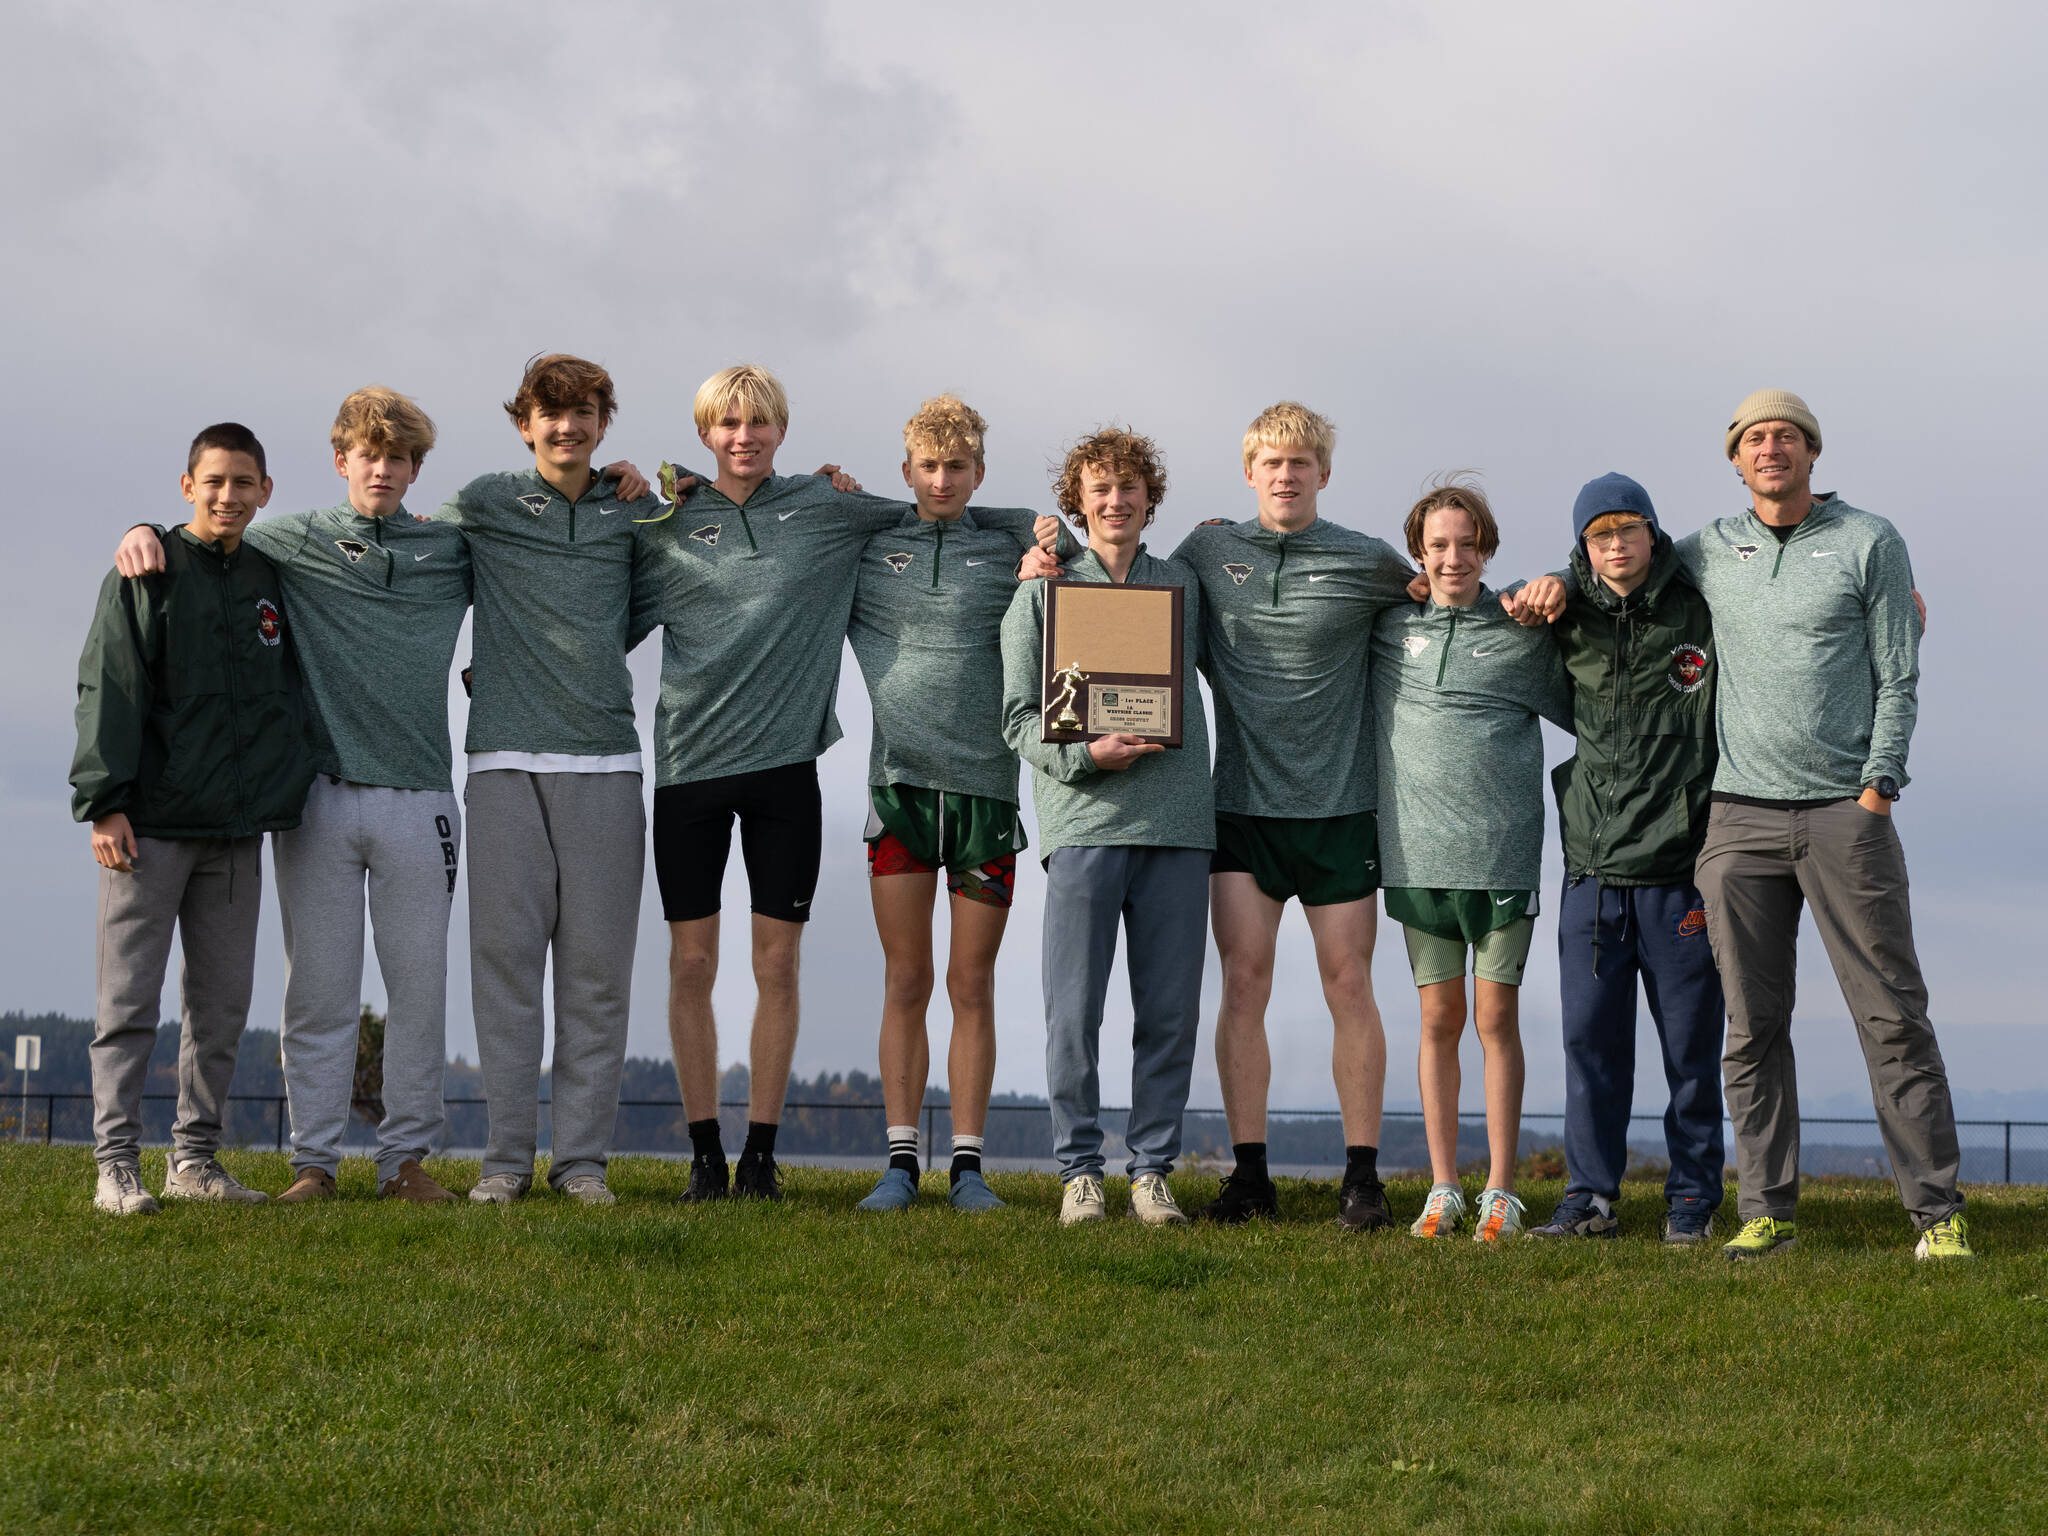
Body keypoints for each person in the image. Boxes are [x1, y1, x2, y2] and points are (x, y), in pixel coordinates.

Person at [1515, 390, 1968, 1261]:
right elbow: (1614, 562)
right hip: (1738, 821)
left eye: (1786, 436)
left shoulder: (1870, 540)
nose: (1771, 448)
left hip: (1845, 810)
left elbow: (1897, 672)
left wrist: (1879, 787)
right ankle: (1766, 1210)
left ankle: (1938, 1214)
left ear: (1811, 451)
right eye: (1755, 438)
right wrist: (1535, 583)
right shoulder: (1709, 550)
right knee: (1751, 1027)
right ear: (1734, 459)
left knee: (1891, 1016)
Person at [629, 366, 1057, 1202]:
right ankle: (709, 1156)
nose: (744, 436)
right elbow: (601, 609)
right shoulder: (668, 522)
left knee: (796, 967)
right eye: (728, 423)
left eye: (759, 422)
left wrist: (1045, 531)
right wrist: (627, 491)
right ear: (707, 433)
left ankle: (769, 1156)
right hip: (698, 767)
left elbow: (959, 518)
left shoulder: (832, 513)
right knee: (693, 964)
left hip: (816, 774)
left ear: (781, 430)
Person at [112, 389, 474, 1203]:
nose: (381, 470)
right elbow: (206, 533)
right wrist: (143, 530)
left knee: (419, 986)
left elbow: (535, 575)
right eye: (367, 455)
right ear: (341, 461)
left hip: (421, 800)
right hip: (314, 799)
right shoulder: (290, 538)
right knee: (316, 988)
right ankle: (314, 1164)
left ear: (417, 468)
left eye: (398, 458)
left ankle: (404, 1163)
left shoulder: (454, 548)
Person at [1166, 403, 1415, 1229]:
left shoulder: (1366, 559)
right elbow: (1134, 600)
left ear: (1323, 473)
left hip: (1342, 810)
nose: (1285, 474)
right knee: (1243, 984)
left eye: (1301, 462)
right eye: (1271, 462)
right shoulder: (1207, 551)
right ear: (1249, 472)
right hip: (1240, 810)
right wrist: (1047, 557)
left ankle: (1363, 1178)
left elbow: (1441, 597)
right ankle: (1249, 1178)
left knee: (1350, 985)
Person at [71, 423, 316, 1213]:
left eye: (244, 483)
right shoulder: (146, 569)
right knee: (129, 1005)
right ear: (187, 486)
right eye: (213, 482)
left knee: (220, 1009)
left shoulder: (272, 577)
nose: (228, 496)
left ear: (265, 492)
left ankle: (195, 1161)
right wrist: (105, 803)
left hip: (238, 833)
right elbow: (109, 687)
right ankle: (115, 1166)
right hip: (148, 829)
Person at [439, 354, 664, 1207]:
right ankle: (504, 1161)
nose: (567, 426)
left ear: (605, 422)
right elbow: (405, 539)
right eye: (550, 412)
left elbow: (648, 603)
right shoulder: (486, 503)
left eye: (583, 412)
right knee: (504, 966)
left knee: (597, 975)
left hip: (606, 761)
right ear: (523, 423)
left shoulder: (633, 510)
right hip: (501, 761)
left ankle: (581, 1164)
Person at [845, 396, 1061, 1213]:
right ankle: (899, 1163)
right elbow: (804, 511)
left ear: (978, 473)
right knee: (907, 978)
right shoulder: (870, 544)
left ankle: (968, 1167)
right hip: (897, 790)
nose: (942, 481)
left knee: (973, 984)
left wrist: (1039, 531)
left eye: (957, 468)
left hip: (986, 795)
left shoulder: (1009, 543)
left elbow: (1067, 540)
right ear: (906, 472)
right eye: (929, 468)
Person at [1000, 427, 1214, 1227]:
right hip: (1084, 824)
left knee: (1168, 1014)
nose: (1115, 501)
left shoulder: (1186, 583)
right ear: (1076, 502)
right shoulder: (1040, 594)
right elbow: (1020, 721)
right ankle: (1080, 1171)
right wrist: (1087, 754)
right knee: (1073, 1012)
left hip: (1180, 824)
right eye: (1099, 489)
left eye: (1129, 488)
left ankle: (1152, 1171)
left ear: (1149, 500)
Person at [1522, 473, 1725, 1246]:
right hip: (1592, 871)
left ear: (1651, 532)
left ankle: (1693, 1197)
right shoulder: (1562, 607)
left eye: (1627, 529)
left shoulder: (1699, 604)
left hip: (1681, 871)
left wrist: (1893, 607)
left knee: (1691, 1049)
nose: (1615, 545)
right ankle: (1591, 1198)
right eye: (1599, 534)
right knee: (1590, 1047)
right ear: (1583, 545)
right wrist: (1531, 586)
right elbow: (1481, 602)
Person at [1372, 476, 1569, 1243]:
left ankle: (1501, 1192)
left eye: (1467, 544)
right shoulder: (1389, 631)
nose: (1454, 557)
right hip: (1415, 856)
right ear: (1419, 553)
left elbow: (1590, 698)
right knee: (1438, 1017)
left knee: (1495, 1017)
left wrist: (1552, 595)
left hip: (1503, 854)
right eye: (1439, 545)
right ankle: (1444, 1186)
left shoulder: (1523, 631)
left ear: (1487, 549)